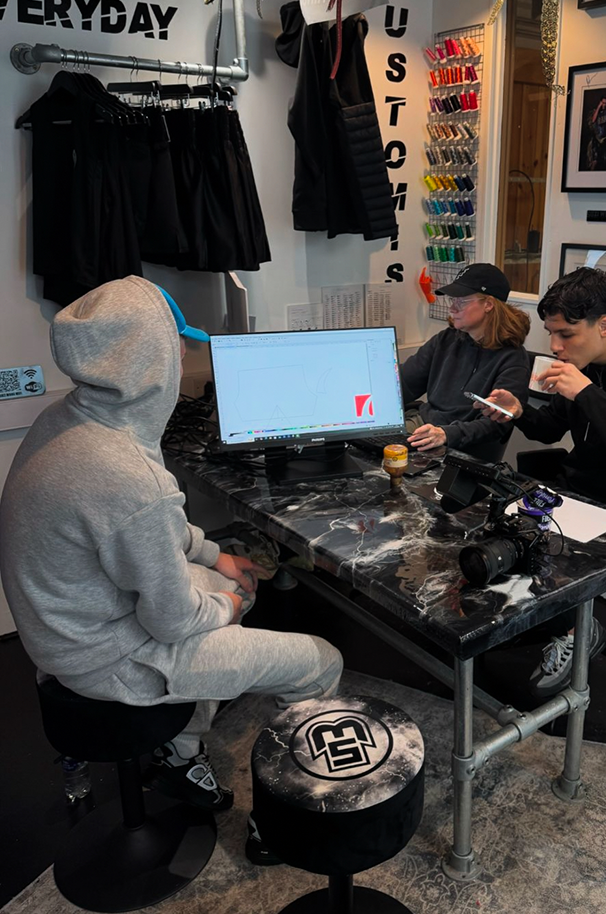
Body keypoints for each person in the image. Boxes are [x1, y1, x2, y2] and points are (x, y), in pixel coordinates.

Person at [0, 276, 343, 864]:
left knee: (233, 587)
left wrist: (216, 557)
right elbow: (170, 617)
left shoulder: (69, 420)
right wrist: (227, 604)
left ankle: (180, 754)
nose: (184, 353)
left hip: (66, 629)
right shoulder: (125, 473)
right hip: (108, 657)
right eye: (176, 342)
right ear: (148, 359)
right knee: (320, 661)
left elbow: (144, 532)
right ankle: (283, 820)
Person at [475, 266, 606, 697]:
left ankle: (576, 631)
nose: (556, 346)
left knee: (538, 547)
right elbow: (550, 428)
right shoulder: (584, 365)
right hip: (575, 493)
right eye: (552, 333)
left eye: (566, 334)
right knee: (489, 522)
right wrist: (518, 411)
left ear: (604, 325)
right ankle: (534, 623)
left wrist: (587, 393)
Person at [400, 263, 531, 460]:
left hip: (459, 446)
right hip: (424, 426)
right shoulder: (446, 339)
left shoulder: (512, 358)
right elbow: (404, 383)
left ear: (488, 304)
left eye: (461, 301)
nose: (452, 308)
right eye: (452, 300)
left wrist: (447, 434)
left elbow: (495, 424)